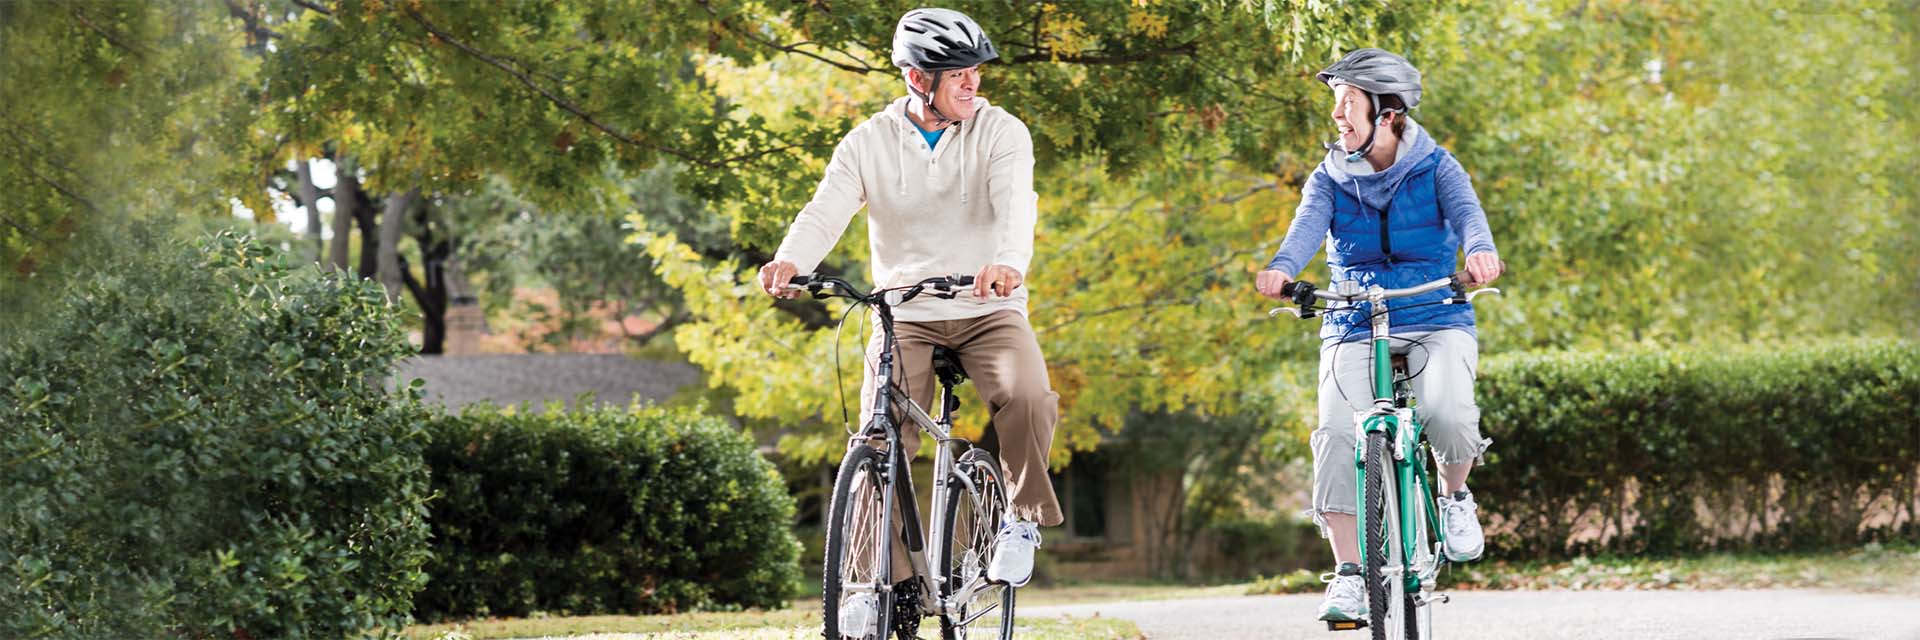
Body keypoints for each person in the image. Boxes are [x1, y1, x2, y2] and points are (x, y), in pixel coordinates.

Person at [755, 6, 1064, 630]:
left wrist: (1007, 262)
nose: (972, 84)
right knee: (879, 438)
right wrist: (790, 260)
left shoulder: (1002, 131)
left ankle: (1020, 521)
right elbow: (826, 209)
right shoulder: (868, 141)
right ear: (918, 78)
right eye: (958, 74)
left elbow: (1016, 208)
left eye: (976, 72)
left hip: (987, 304)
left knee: (1027, 393)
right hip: (905, 314)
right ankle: (877, 583)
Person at [1254, 48, 1505, 622]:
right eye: (1335, 103)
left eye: (1349, 102)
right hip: (1352, 316)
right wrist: (1282, 267)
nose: (1338, 114)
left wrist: (1482, 252)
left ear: (1386, 112)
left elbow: (1470, 218)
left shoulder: (1439, 167)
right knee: (1337, 434)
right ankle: (1347, 576)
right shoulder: (1329, 177)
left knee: (1447, 409)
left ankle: (1455, 497)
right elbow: (1303, 231)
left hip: (1435, 310)